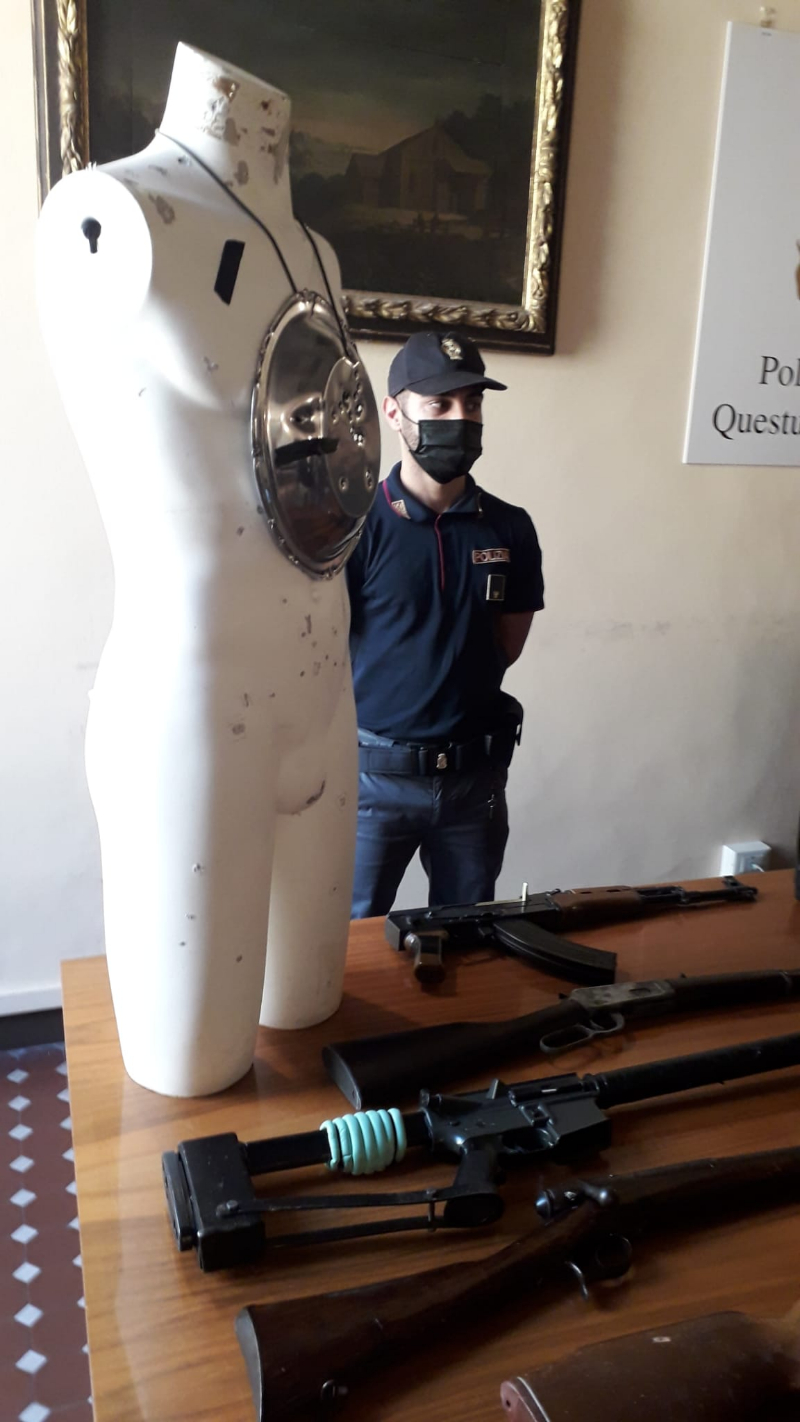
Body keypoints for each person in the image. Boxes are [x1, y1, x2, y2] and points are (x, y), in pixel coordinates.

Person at [346, 329, 544, 917]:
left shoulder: (510, 528)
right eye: (439, 404)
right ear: (394, 412)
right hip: (371, 782)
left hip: (474, 783)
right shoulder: (354, 526)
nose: (461, 418)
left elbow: (506, 646)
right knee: (348, 946)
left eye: (472, 403)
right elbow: (323, 653)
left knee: (469, 939)